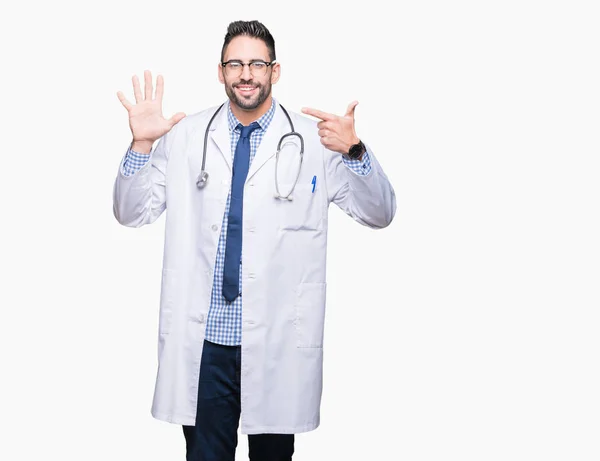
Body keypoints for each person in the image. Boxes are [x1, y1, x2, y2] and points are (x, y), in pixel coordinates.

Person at [113, 19, 396, 461]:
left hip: (277, 339)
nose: (246, 74)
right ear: (221, 71)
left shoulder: (315, 140)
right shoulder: (186, 135)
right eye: (235, 64)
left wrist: (356, 150)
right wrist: (141, 145)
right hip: (206, 342)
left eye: (257, 64)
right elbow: (131, 213)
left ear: (275, 71)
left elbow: (380, 213)